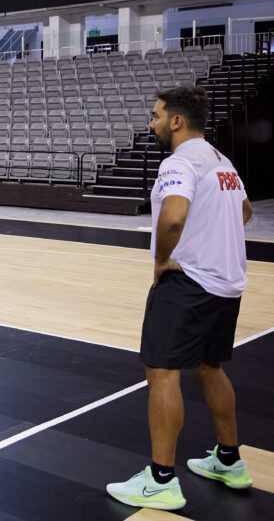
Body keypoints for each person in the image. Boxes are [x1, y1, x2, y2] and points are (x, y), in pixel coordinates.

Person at [107, 86, 254, 510]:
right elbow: (243, 211)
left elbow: (172, 217)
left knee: (163, 373)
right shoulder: (221, 161)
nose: (151, 123)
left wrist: (161, 260)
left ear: (176, 121)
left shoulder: (180, 161)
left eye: (155, 116)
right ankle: (229, 459)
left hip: (188, 283)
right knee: (210, 367)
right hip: (226, 285)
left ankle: (161, 479)